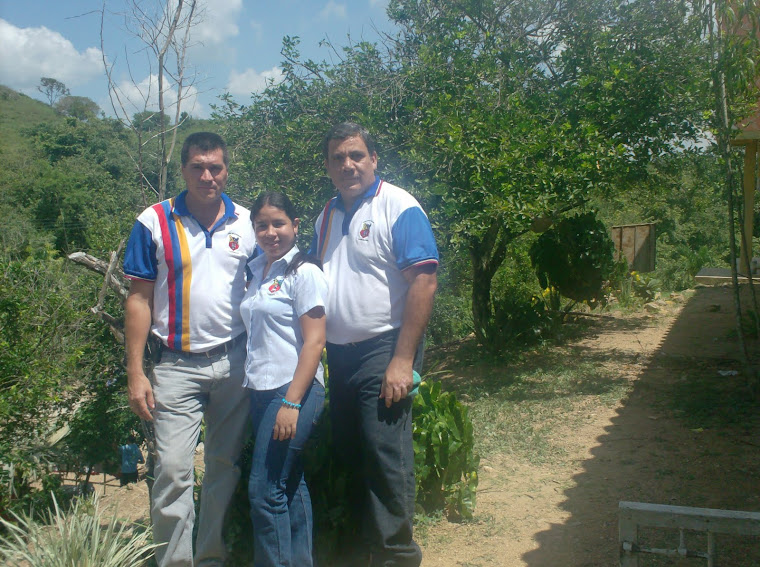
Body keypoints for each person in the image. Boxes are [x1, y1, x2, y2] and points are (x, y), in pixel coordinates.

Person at [123, 131, 256, 567]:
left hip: (235, 361)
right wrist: (136, 372)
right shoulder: (153, 222)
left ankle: (211, 559)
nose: (206, 175)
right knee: (173, 471)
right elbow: (139, 299)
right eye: (197, 166)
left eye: (215, 166)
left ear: (226, 169)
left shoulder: (248, 223)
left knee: (223, 468)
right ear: (183, 170)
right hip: (176, 366)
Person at [312, 122, 439, 566]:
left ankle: (397, 556)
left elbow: (423, 282)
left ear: (373, 160)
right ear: (327, 166)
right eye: (337, 157)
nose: (347, 165)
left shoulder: (399, 206)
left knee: (386, 454)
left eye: (356, 155)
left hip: (385, 349)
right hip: (341, 355)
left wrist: (403, 359)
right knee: (351, 451)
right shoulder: (325, 216)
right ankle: (362, 551)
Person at [240, 191, 327, 567]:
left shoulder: (304, 272)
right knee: (288, 486)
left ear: (295, 225)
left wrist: (291, 402)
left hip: (293, 390)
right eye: (262, 225)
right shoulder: (257, 270)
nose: (270, 232)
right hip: (259, 390)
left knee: (263, 491)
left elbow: (315, 341)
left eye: (278, 223)